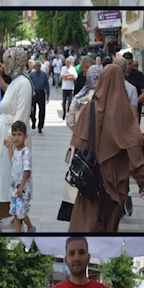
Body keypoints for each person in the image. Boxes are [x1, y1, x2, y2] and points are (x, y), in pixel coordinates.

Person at [70, 64, 144, 232]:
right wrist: (143, 181)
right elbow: (135, 146)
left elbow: (79, 143)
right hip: (116, 178)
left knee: (88, 222)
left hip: (92, 176)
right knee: (110, 223)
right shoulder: (125, 113)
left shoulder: (90, 107)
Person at [0, 48, 34, 223]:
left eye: (7, 62)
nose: (5, 65)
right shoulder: (16, 82)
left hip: (12, 138)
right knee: (6, 176)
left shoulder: (23, 83)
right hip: (5, 134)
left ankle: (20, 216)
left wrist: (11, 135)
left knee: (14, 176)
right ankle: (12, 213)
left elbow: (22, 112)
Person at [60, 65, 102, 222]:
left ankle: (74, 212)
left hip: (78, 146)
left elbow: (69, 120)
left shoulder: (78, 98)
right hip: (96, 149)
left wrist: (78, 131)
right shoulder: (103, 100)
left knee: (76, 179)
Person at [5, 120, 35, 233]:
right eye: (14, 134)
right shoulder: (16, 151)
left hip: (23, 189)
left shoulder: (25, 152)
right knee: (15, 212)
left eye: (19, 135)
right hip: (14, 188)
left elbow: (26, 170)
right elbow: (13, 162)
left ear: (25, 136)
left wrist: (21, 187)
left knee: (21, 212)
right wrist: (9, 148)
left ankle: (30, 227)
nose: (16, 138)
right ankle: (18, 232)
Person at [123, 53, 144, 122]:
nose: (128, 67)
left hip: (135, 108)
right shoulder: (119, 74)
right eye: (126, 64)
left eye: (130, 64)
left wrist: (134, 101)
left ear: (132, 62)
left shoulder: (139, 75)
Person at [29, 60, 50, 134]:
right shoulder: (32, 74)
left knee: (42, 110)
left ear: (40, 67)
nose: (37, 67)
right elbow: (29, 84)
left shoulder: (44, 74)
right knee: (32, 110)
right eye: (36, 66)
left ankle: (40, 126)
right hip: (34, 93)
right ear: (35, 67)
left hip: (41, 93)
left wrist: (48, 95)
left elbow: (47, 85)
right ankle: (33, 121)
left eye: (39, 66)